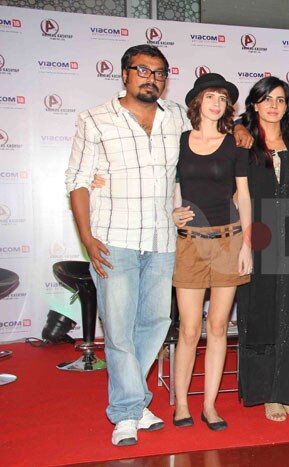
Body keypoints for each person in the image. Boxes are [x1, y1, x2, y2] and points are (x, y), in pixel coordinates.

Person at [65, 44, 190, 446]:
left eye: (158, 72)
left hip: (160, 239)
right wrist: (86, 237)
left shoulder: (177, 117)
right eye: (142, 70)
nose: (150, 78)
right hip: (112, 239)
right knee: (118, 330)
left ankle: (135, 402)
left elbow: (213, 130)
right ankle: (125, 412)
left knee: (155, 324)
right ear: (124, 75)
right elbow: (78, 181)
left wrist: (240, 127)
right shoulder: (95, 119)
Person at [170, 73, 252, 431]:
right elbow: (167, 189)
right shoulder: (179, 142)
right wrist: (171, 213)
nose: (217, 103)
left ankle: (210, 406)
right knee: (189, 330)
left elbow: (244, 197)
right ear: (197, 103)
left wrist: (247, 244)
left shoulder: (235, 146)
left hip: (227, 241)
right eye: (210, 97)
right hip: (189, 242)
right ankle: (181, 405)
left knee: (217, 327)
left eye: (222, 97)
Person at [235, 76, 289, 421]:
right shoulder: (241, 141)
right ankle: (265, 392)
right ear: (254, 104)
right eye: (267, 99)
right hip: (258, 235)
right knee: (261, 314)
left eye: (280, 100)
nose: (273, 106)